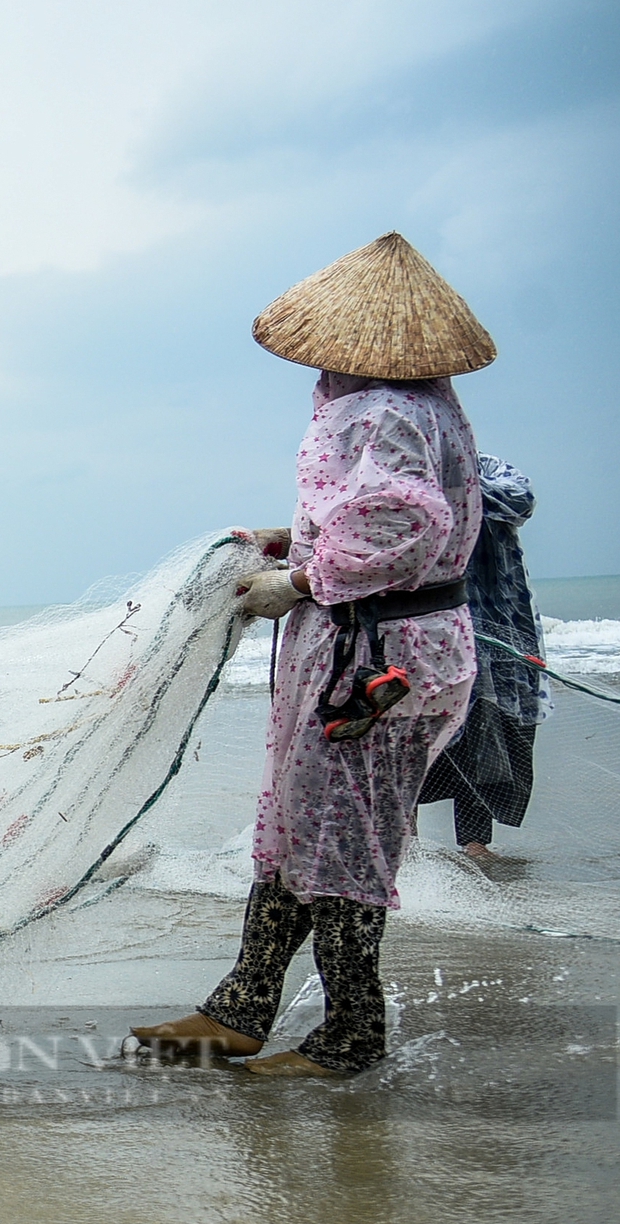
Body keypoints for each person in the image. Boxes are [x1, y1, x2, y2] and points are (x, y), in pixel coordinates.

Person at [133, 232, 491, 1077]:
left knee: (344, 844)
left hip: (373, 664)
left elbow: (400, 530)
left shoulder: (378, 412)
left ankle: (349, 1039)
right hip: (393, 650)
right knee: (307, 828)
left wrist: (296, 581)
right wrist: (296, 539)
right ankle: (243, 1007)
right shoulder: (426, 407)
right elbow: (402, 519)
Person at [416, 455, 547, 857]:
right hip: (427, 628)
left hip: (500, 626)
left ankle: (475, 842)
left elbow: (520, 499)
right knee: (415, 732)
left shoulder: (487, 469)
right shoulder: (402, 476)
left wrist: (456, 491)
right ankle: (405, 836)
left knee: (488, 736)